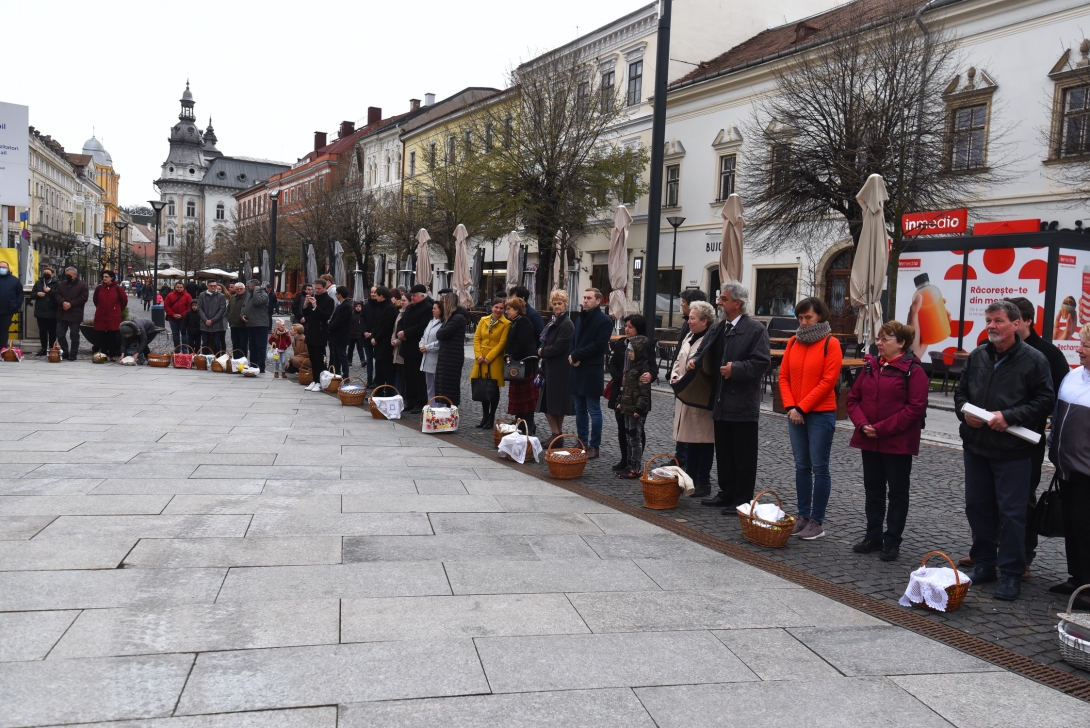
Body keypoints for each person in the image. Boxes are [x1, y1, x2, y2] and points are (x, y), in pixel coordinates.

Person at [955, 300, 1054, 601]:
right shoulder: (977, 356)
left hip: (1012, 451)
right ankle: (984, 563)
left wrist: (1009, 416)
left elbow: (1045, 400)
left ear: (1015, 324)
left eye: (998, 321)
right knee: (977, 507)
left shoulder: (1034, 360)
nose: (991, 326)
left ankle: (1011, 573)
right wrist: (964, 412)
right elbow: (961, 392)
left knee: (1012, 514)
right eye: (988, 320)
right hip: (976, 445)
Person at [846, 321, 928, 562]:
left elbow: (914, 409)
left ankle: (892, 540)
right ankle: (873, 536)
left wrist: (880, 429)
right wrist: (862, 425)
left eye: (885, 339)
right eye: (879, 339)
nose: (879, 344)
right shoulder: (871, 367)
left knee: (898, 493)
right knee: (873, 490)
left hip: (897, 443)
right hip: (870, 440)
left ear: (901, 343)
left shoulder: (914, 371)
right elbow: (853, 400)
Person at [689, 283, 771, 511]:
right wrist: (695, 360)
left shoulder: (755, 329)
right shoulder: (718, 328)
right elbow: (703, 349)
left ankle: (742, 499)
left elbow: (762, 362)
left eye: (724, 299)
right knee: (724, 452)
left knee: (743, 456)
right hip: (720, 400)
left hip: (742, 403)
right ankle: (726, 492)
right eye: (720, 298)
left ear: (738, 303)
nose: (719, 302)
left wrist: (736, 369)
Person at [1008, 297, 1072, 574]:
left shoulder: (1048, 353)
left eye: (1012, 319)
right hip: (992, 437)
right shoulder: (993, 348)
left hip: (1027, 439)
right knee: (987, 498)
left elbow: (1058, 397)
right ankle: (986, 549)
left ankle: (1023, 556)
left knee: (1023, 499)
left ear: (1025, 321)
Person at [777, 296, 842, 540]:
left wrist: (802, 408)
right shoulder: (793, 342)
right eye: (801, 318)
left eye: (808, 317)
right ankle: (803, 516)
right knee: (801, 466)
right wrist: (791, 406)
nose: (803, 322)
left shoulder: (831, 343)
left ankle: (817, 521)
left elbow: (828, 381)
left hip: (820, 413)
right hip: (796, 412)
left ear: (820, 317)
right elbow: (783, 376)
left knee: (819, 467)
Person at [1048, 323, 1090, 606]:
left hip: (1087, 471)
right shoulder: (1073, 376)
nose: (1078, 349)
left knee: (1086, 526)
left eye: (1085, 345)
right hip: (1067, 467)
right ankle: (1077, 577)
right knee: (1073, 524)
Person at [670, 301, 717, 497]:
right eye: (689, 317)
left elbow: (709, 367)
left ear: (704, 321)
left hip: (700, 396)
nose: (688, 321)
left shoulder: (709, 339)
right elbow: (679, 359)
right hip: (684, 392)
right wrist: (674, 376)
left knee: (703, 440)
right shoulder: (689, 335)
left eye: (693, 318)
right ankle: (691, 477)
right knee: (690, 439)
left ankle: (703, 481)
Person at [608, 315, 657, 472]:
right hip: (622, 391)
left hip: (637, 393)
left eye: (630, 327)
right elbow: (613, 364)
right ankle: (625, 459)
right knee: (622, 427)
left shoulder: (645, 345)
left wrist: (651, 375)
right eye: (626, 326)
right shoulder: (621, 343)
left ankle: (635, 462)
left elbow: (652, 366)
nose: (626, 329)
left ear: (638, 329)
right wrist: (620, 378)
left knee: (636, 430)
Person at [568, 288, 613, 459]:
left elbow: (599, 345)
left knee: (593, 410)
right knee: (579, 409)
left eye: (589, 298)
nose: (585, 300)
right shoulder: (580, 318)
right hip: (577, 368)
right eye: (584, 297)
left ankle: (594, 445)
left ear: (598, 301)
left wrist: (577, 355)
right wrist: (572, 356)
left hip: (591, 369)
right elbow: (574, 340)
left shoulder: (604, 321)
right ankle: (582, 441)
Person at [673, 289, 709, 468]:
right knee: (683, 426)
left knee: (694, 430)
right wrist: (674, 376)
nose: (682, 306)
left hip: (694, 389)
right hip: (681, 384)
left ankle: (686, 462)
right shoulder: (688, 330)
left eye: (684, 303)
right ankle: (680, 458)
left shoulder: (706, 335)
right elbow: (680, 354)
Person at [538, 290, 575, 444]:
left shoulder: (566, 323)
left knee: (553, 404)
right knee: (553, 403)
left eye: (560, 303)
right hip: (551, 367)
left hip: (559, 368)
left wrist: (542, 351)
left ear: (565, 305)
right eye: (554, 304)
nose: (557, 306)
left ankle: (555, 434)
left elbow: (560, 346)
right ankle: (557, 434)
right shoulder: (553, 321)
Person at [615, 331, 653, 479]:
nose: (629, 353)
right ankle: (630, 465)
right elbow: (627, 390)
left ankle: (635, 467)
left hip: (636, 411)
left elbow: (644, 393)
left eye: (632, 351)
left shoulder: (642, 370)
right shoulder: (633, 368)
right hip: (628, 409)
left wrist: (639, 408)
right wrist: (620, 403)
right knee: (629, 437)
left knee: (635, 438)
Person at [471, 297, 511, 429]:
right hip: (481, 359)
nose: (499, 310)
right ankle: (484, 416)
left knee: (493, 388)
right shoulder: (483, 320)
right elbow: (477, 338)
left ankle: (491, 415)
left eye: (501, 308)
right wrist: (478, 355)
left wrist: (489, 357)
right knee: (482, 386)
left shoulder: (506, 323)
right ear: (492, 308)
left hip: (494, 360)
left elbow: (502, 343)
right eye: (496, 307)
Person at [398, 284, 435, 414]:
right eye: (411, 295)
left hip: (417, 347)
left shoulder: (427, 308)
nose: (412, 298)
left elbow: (422, 326)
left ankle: (420, 401)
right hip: (407, 346)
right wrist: (400, 332)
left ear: (422, 296)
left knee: (418, 377)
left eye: (414, 296)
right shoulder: (410, 307)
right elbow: (402, 321)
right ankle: (410, 400)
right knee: (408, 375)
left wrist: (406, 333)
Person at [504, 296, 539, 433]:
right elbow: (511, 342)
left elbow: (522, 343)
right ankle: (520, 422)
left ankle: (529, 424)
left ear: (517, 310)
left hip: (525, 364)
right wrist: (507, 354)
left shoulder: (523, 321)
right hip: (518, 364)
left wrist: (512, 357)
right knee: (519, 396)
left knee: (526, 397)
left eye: (509, 309)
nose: (507, 311)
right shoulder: (514, 322)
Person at [434, 292, 469, 406]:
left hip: (452, 356)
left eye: (444, 302)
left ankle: (450, 408)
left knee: (450, 384)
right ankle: (446, 407)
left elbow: (442, 334)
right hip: (447, 354)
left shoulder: (457, 318)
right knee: (444, 383)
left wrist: (440, 332)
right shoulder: (451, 318)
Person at [302, 280, 335, 390]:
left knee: (319, 359)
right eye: (315, 288)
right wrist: (306, 304)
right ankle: (314, 380)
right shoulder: (314, 297)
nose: (316, 290)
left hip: (320, 333)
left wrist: (316, 306)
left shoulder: (329, 300)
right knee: (312, 358)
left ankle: (320, 382)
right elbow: (306, 314)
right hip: (311, 331)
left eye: (319, 288)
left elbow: (326, 316)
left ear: (325, 288)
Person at [54, 267, 88, 361]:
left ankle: (73, 353)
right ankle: (65, 351)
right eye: (66, 274)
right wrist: (63, 302)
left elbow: (83, 298)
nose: (67, 276)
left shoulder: (82, 285)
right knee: (60, 333)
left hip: (75, 313)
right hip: (62, 313)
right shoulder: (62, 284)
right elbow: (57, 295)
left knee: (74, 335)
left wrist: (71, 304)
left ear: (75, 275)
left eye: (69, 274)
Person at [93, 270, 128, 360]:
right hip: (101, 315)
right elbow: (95, 300)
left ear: (112, 278)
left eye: (106, 277)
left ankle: (112, 355)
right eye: (103, 277)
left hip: (113, 316)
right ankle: (104, 354)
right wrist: (100, 308)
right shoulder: (99, 288)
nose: (104, 278)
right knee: (102, 336)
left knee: (112, 336)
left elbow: (124, 301)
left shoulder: (117, 288)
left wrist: (117, 310)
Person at [370, 286, 398, 387]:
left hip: (385, 344)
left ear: (382, 296)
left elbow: (387, 327)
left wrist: (376, 338)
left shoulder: (390, 308)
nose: (375, 297)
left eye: (376, 295)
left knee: (386, 370)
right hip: (378, 344)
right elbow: (375, 324)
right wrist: (373, 336)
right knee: (379, 369)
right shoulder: (380, 307)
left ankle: (388, 392)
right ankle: (379, 390)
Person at [241, 279, 271, 374]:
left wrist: (257, 290)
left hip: (261, 324)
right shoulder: (249, 295)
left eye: (249, 286)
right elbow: (244, 306)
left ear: (254, 287)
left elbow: (257, 302)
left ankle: (260, 366)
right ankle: (253, 364)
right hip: (251, 324)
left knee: (260, 347)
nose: (248, 288)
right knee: (252, 346)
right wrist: (242, 314)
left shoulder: (263, 295)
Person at [327, 285, 353, 379]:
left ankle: (345, 375)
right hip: (335, 335)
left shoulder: (346, 306)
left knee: (342, 356)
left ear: (340, 294)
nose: (336, 295)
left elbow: (339, 321)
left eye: (336, 293)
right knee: (335, 356)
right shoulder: (340, 304)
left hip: (341, 335)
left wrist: (330, 327)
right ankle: (337, 373)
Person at [30, 268, 58, 355]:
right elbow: (32, 295)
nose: (46, 274)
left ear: (52, 274)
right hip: (40, 311)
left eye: (48, 273)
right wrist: (37, 294)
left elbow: (59, 295)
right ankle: (43, 348)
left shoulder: (57, 283)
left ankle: (51, 348)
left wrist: (50, 291)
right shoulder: (39, 282)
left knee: (52, 331)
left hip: (52, 312)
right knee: (42, 331)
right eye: (44, 272)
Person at [420, 301, 443, 401]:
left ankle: (437, 406)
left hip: (435, 358)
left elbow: (440, 342)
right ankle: (430, 405)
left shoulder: (443, 323)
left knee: (437, 385)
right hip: (426, 357)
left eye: (435, 308)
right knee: (429, 385)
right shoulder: (431, 321)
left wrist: (428, 347)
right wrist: (421, 345)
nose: (432, 310)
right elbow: (424, 336)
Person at [197, 280, 227, 354]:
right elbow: (199, 308)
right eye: (211, 285)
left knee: (217, 343)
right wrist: (205, 320)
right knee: (205, 342)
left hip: (217, 324)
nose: (213, 287)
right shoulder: (202, 295)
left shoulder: (221, 296)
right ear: (207, 286)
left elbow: (222, 310)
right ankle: (205, 359)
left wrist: (213, 320)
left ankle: (216, 360)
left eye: (214, 285)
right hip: (204, 323)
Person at [0, 260, 21, 352]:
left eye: (4, 267)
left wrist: (16, 305)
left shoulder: (14, 280)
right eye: (0, 267)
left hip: (7, 310)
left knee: (4, 330)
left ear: (8, 269)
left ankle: (3, 348)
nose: (2, 269)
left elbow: (20, 294)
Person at [164, 282, 192, 348]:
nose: (179, 289)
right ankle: (177, 349)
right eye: (178, 287)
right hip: (172, 318)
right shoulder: (170, 295)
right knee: (175, 334)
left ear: (183, 288)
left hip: (184, 319)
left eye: (181, 287)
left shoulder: (187, 296)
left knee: (184, 334)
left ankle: (185, 350)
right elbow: (166, 306)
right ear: (175, 287)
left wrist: (182, 315)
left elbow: (189, 307)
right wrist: (173, 314)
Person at [361, 286, 378, 385]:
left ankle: (376, 379)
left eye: (375, 292)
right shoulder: (366, 306)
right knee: (369, 359)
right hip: (366, 337)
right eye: (372, 292)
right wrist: (365, 332)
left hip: (377, 337)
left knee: (378, 360)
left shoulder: (381, 306)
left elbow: (379, 322)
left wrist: (372, 333)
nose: (373, 294)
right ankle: (369, 378)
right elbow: (362, 319)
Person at [226, 282, 248, 357]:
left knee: (243, 344)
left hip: (243, 325)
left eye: (241, 289)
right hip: (233, 324)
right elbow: (229, 308)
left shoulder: (247, 297)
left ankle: (243, 359)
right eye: (237, 289)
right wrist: (229, 318)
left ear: (244, 289)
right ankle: (235, 359)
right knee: (235, 343)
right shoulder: (233, 297)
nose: (239, 290)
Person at [348, 299, 365, 367]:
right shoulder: (352, 315)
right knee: (350, 348)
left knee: (360, 348)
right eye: (357, 306)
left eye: (359, 306)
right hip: (352, 335)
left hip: (359, 335)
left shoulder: (362, 316)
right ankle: (349, 360)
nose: (358, 308)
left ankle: (362, 360)